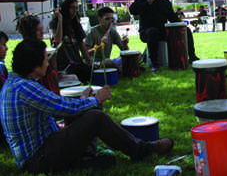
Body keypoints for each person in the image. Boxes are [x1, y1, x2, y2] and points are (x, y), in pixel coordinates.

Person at [0, 38, 174, 173]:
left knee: (89, 111)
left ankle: (86, 158)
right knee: (95, 117)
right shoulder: (23, 88)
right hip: (38, 159)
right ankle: (143, 149)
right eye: (46, 59)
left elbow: (55, 110)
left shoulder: (17, 83)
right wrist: (95, 100)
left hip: (42, 151)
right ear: (34, 65)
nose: (48, 62)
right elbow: (60, 106)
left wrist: (85, 101)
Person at [129, 0, 200, 72]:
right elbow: (132, 10)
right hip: (146, 32)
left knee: (186, 30)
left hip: (163, 31)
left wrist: (183, 24)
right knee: (153, 32)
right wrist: (147, 3)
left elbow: (173, 18)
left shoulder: (166, 2)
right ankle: (155, 64)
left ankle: (192, 57)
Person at [49, 0, 92, 83]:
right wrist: (60, 20)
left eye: (76, 8)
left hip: (78, 63)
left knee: (93, 73)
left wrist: (90, 62)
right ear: (65, 8)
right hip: (64, 67)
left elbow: (82, 46)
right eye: (72, 7)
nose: (75, 11)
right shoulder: (54, 23)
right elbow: (57, 40)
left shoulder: (76, 24)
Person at [16, 13, 60, 94]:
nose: (42, 32)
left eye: (42, 29)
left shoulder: (40, 48)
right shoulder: (27, 52)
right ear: (30, 31)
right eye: (38, 30)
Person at [84, 7, 129, 75]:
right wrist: (100, 46)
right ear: (100, 20)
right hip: (95, 63)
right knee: (107, 62)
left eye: (112, 19)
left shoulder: (112, 32)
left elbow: (124, 52)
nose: (110, 21)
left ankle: (122, 70)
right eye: (107, 19)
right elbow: (85, 54)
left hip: (107, 62)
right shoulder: (92, 32)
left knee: (134, 55)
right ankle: (123, 73)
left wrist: (125, 44)